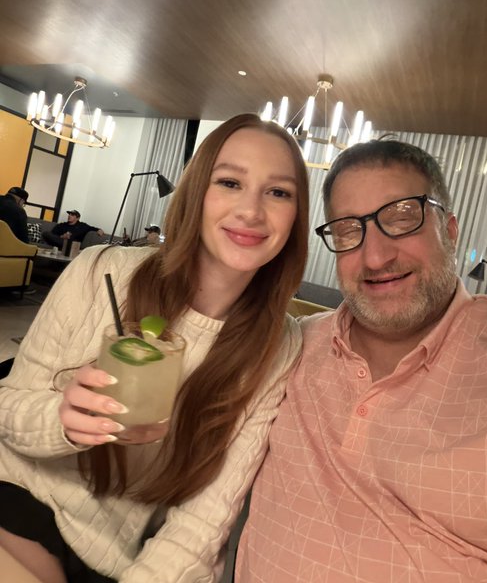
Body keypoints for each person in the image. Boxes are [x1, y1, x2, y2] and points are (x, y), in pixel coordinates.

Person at [0, 113, 309, 583]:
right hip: (16, 494)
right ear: (196, 193)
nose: (251, 211)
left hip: (110, 558)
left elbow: (202, 526)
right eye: (229, 182)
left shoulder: (279, 345)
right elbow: (7, 407)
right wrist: (62, 420)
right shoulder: (101, 270)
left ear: (297, 217)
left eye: (279, 192)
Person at [236, 139, 487, 582]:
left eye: (402, 219)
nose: (377, 257)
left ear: (450, 230)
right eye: (347, 230)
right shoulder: (291, 348)